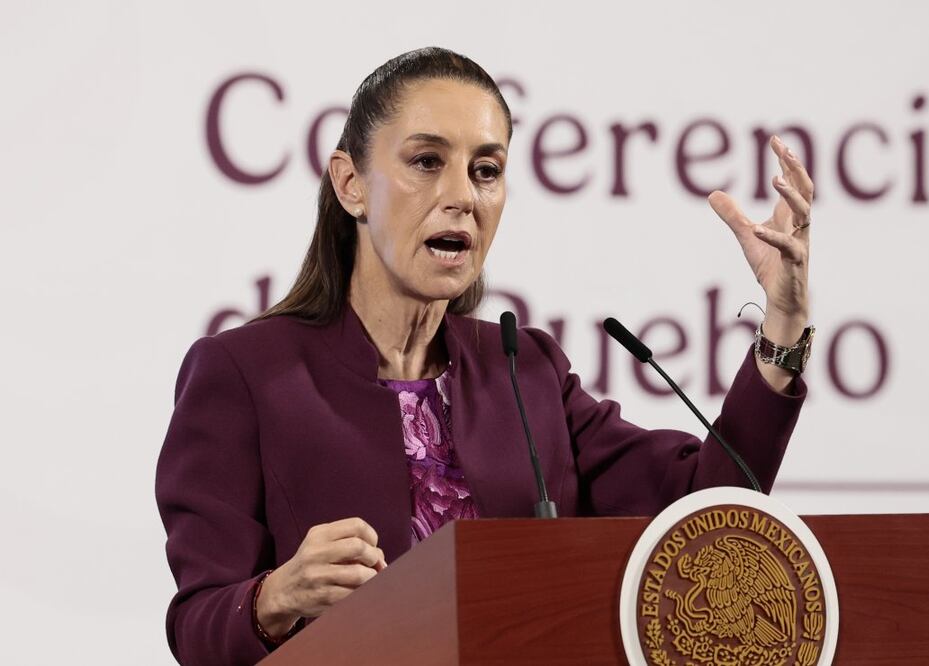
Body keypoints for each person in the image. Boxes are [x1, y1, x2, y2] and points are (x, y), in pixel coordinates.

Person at [155, 47, 815, 666]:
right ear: (351, 184)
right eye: (426, 161)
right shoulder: (245, 374)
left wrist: (783, 324)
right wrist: (275, 598)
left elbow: (709, 516)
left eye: (486, 170)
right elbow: (197, 627)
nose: (463, 196)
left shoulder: (526, 371)